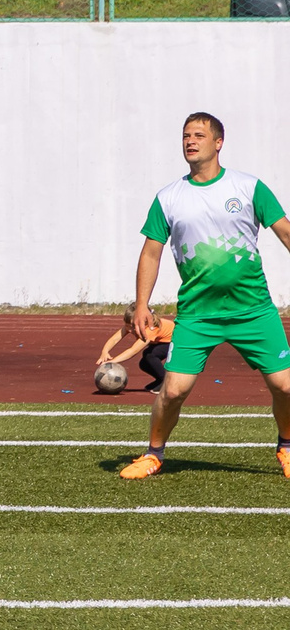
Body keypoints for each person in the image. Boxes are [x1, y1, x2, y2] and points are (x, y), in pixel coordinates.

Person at [116, 111, 290, 481]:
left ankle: (287, 447)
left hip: (253, 310)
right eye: (185, 135)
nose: (190, 141)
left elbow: (286, 233)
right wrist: (142, 303)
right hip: (197, 315)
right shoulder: (168, 197)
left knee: (285, 385)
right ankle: (153, 454)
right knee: (173, 390)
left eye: (198, 134)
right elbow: (151, 252)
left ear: (218, 143)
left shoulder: (248, 187)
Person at [97, 315, 174, 393]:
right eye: (127, 326)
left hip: (179, 342)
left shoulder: (150, 330)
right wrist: (105, 351)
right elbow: (114, 339)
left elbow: (132, 351)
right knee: (144, 364)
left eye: (132, 327)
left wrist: (113, 361)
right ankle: (160, 380)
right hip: (165, 341)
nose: (130, 330)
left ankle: (166, 382)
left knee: (150, 354)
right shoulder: (132, 325)